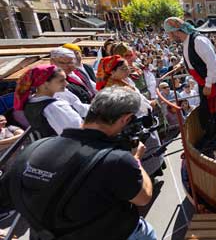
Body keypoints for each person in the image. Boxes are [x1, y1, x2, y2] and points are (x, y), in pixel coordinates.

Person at [3, 87, 157, 240]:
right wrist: (135, 159)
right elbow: (143, 198)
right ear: (125, 119)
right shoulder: (117, 159)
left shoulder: (36, 148)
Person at [96, 56, 164, 177]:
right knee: (145, 153)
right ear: (112, 72)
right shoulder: (115, 88)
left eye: (127, 67)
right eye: (123, 68)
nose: (127, 70)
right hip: (134, 126)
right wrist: (149, 105)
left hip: (140, 120)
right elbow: (136, 104)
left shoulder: (123, 81)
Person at [164, 17, 216, 139]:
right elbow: (189, 55)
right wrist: (182, 63)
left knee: (206, 111)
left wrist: (208, 85)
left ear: (176, 31)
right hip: (204, 81)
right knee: (209, 109)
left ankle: (213, 135)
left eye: (169, 34)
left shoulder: (198, 40)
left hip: (211, 81)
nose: (169, 37)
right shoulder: (187, 40)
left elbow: (213, 64)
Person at [14, 65, 82, 138]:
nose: (66, 83)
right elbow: (77, 131)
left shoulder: (31, 102)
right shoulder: (55, 106)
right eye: (61, 80)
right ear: (45, 84)